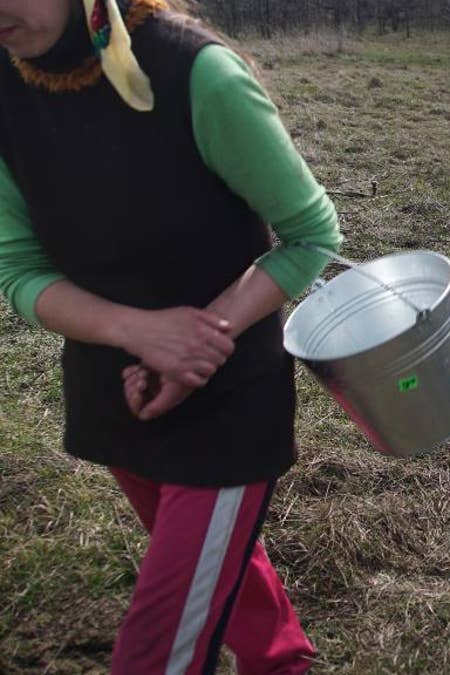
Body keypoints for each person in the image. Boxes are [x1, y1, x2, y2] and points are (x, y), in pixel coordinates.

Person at [0, 1, 342, 673]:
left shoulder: (196, 73)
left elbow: (311, 235)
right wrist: (139, 333)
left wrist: (197, 342)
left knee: (154, 650)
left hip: (225, 404)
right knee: (217, 568)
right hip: (113, 393)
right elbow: (19, 269)